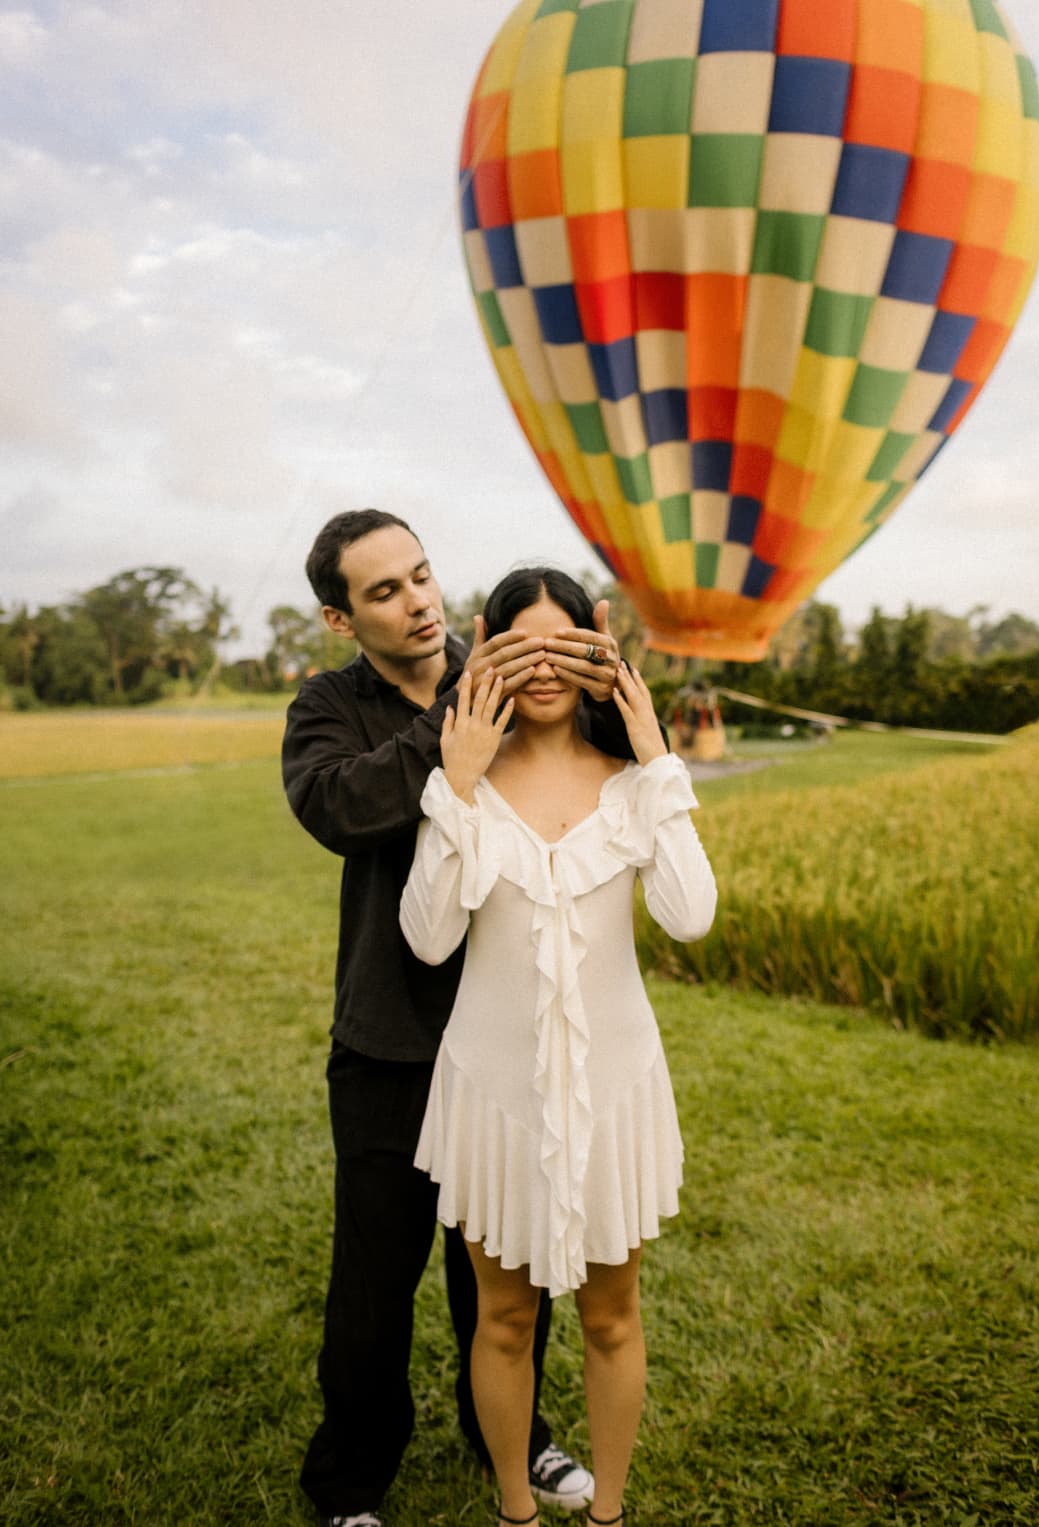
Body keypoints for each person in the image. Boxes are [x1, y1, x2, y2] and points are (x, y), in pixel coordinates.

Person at [282, 510, 636, 1527]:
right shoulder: (327, 709)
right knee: (374, 1281)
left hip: (517, 1037)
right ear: (340, 619)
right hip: (391, 1042)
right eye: (384, 591)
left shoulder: (499, 673)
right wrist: (452, 733)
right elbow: (340, 808)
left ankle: (512, 1445)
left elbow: (595, 758)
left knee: (512, 1274)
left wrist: (603, 670)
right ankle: (350, 1480)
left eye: (423, 576)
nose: (417, 600)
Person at [399, 568, 718, 1527]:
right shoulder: (464, 784)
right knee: (504, 1318)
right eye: (519, 645)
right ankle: (514, 1511)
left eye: (566, 644)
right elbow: (426, 938)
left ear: (599, 650)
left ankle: (608, 1513)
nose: (543, 666)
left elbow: (690, 915)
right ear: (486, 648)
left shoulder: (631, 788)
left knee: (611, 1316)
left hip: (613, 1086)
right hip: (493, 1090)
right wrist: (454, 787)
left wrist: (656, 752)